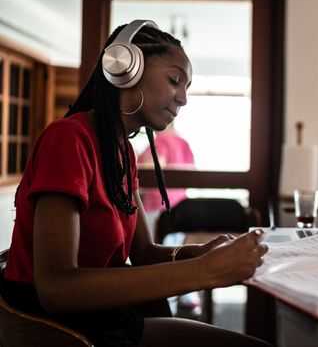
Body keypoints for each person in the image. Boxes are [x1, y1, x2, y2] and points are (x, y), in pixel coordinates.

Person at [0, 20, 270, 347]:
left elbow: (143, 253)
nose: (183, 98)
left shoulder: (121, 151)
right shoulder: (68, 138)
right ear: (125, 67)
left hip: (106, 317)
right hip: (62, 328)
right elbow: (55, 288)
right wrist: (205, 272)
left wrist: (201, 253)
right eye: (175, 80)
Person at [138, 122, 195, 214]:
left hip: (158, 205)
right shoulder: (184, 144)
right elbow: (192, 173)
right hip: (180, 204)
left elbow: (150, 171)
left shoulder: (161, 141)